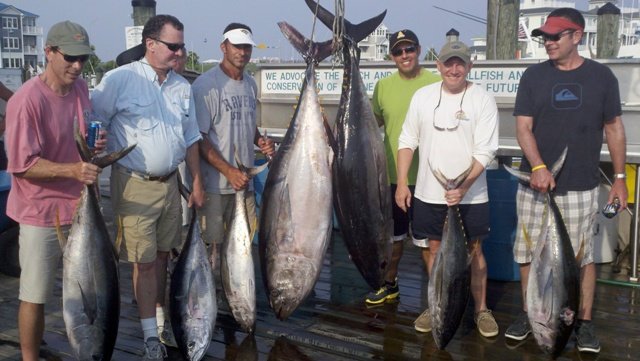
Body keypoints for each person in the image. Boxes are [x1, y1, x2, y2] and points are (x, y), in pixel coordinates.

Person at [504, 8, 627, 354]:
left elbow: (614, 128)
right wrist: (539, 166)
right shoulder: (533, 76)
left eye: (556, 36)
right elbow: (523, 127)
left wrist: (619, 179)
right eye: (544, 36)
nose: (548, 42)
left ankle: (583, 322)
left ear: (578, 36)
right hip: (534, 186)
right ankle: (531, 314)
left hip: (581, 185)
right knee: (528, 255)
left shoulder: (602, 78)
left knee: (582, 259)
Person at [91, 14, 205, 360]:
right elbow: (94, 122)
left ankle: (157, 322)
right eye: (173, 46)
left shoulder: (182, 87)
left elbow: (191, 139)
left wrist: (196, 179)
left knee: (161, 258)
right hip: (134, 184)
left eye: (182, 45)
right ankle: (149, 339)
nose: (179, 52)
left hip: (172, 185)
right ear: (150, 45)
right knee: (143, 263)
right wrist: (94, 153)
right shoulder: (119, 79)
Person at [4, 21, 103, 361]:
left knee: (89, 294)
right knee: (35, 294)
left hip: (79, 212)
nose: (77, 66)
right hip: (40, 214)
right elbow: (22, 164)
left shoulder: (80, 90)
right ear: (49, 52)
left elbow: (80, 139)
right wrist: (73, 170)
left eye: (84, 59)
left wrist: (94, 145)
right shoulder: (26, 101)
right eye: (70, 58)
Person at [396, 40, 500, 338]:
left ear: (470, 66)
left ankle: (481, 309)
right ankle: (437, 302)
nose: (454, 69)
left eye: (460, 63)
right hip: (429, 193)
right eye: (448, 63)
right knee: (433, 249)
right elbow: (407, 140)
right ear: (438, 66)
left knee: (475, 252)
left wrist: (464, 187)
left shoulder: (482, 99)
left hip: (472, 194)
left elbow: (486, 150)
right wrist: (403, 182)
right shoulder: (423, 97)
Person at [367, 29, 440, 331]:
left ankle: (437, 297)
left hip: (430, 178)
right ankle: (390, 283)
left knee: (429, 243)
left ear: (419, 49)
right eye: (398, 51)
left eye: (409, 48)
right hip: (394, 177)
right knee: (394, 239)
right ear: (391, 56)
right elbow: (372, 125)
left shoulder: (436, 83)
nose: (405, 55)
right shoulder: (382, 87)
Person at [191, 23, 274, 272]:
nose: (242, 52)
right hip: (215, 187)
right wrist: (229, 172)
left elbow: (248, 124)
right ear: (223, 47)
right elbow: (198, 138)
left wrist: (260, 141)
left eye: (247, 47)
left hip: (243, 184)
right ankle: (210, 304)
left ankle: (234, 301)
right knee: (212, 251)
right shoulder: (205, 86)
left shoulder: (250, 84)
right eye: (237, 46)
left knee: (243, 247)